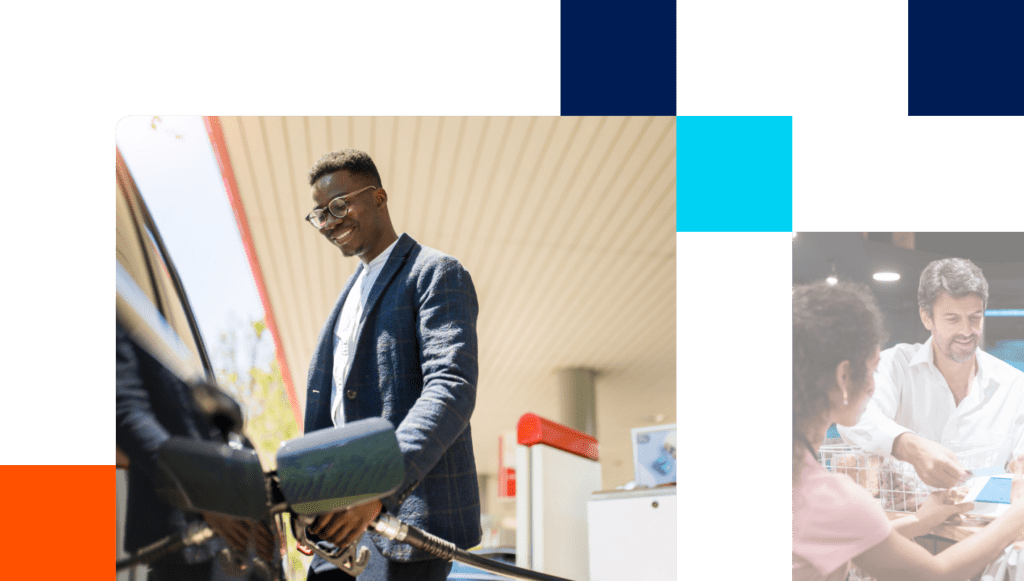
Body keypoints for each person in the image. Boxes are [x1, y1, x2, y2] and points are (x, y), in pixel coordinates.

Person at [301, 149, 481, 581]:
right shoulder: (347, 297)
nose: (329, 221)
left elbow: (451, 386)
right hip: (335, 529)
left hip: (401, 520)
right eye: (320, 214)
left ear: (379, 197)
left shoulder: (435, 272)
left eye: (340, 205)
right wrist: (308, 500)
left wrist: (378, 483)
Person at [793, 280, 1024, 581]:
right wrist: (1017, 514)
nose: (875, 385)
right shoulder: (829, 496)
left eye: (974, 317)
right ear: (844, 376)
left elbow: (843, 538)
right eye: (873, 369)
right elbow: (937, 574)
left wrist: (920, 519)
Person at [838, 258, 1024, 488]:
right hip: (908, 519)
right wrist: (908, 445)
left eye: (974, 318)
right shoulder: (896, 366)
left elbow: (1018, 472)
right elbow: (852, 415)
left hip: (984, 522)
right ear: (927, 318)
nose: (966, 331)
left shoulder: (1014, 384)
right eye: (952, 319)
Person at [115, 322, 273, 580]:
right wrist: (203, 489)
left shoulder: (150, 318)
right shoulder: (119, 304)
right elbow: (126, 413)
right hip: (186, 543)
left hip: (235, 537)